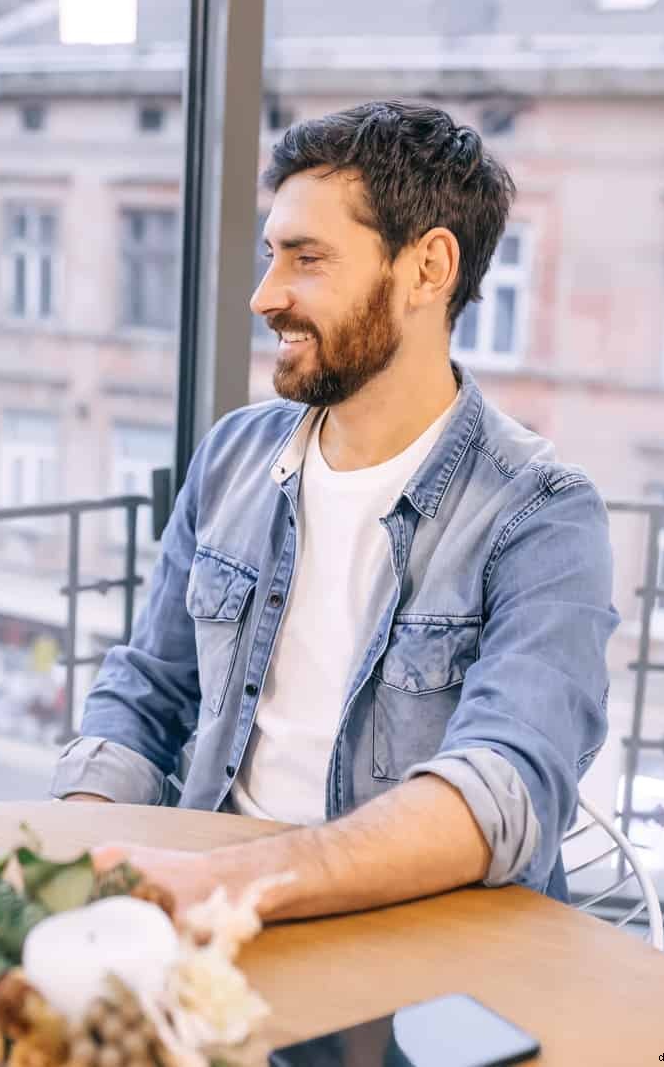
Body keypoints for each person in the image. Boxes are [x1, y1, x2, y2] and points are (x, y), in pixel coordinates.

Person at [51, 101, 619, 924]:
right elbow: (149, 689)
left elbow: (504, 785)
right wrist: (86, 853)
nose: (265, 296)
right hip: (212, 913)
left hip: (421, 935)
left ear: (428, 269)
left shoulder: (545, 517)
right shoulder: (233, 456)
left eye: (307, 260)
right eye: (270, 255)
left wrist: (232, 880)